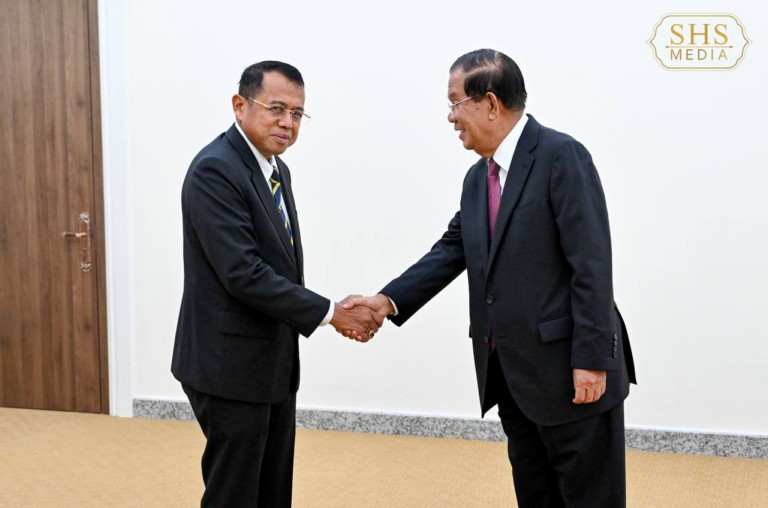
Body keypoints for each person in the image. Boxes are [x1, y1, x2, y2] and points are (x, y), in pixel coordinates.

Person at [345, 49, 636, 507]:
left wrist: (592, 359)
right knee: (536, 496)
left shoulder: (562, 156)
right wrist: (386, 301)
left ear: (491, 103)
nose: (450, 117)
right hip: (512, 376)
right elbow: (451, 249)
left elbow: (592, 265)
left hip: (572, 372)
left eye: (455, 103)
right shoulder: (477, 178)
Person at [171, 60, 382, 507]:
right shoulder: (215, 170)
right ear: (239, 105)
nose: (288, 122)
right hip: (228, 366)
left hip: (271, 361)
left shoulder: (274, 169)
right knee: (235, 493)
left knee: (271, 489)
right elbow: (243, 273)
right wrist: (331, 313)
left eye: (298, 113)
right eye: (276, 108)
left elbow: (278, 265)